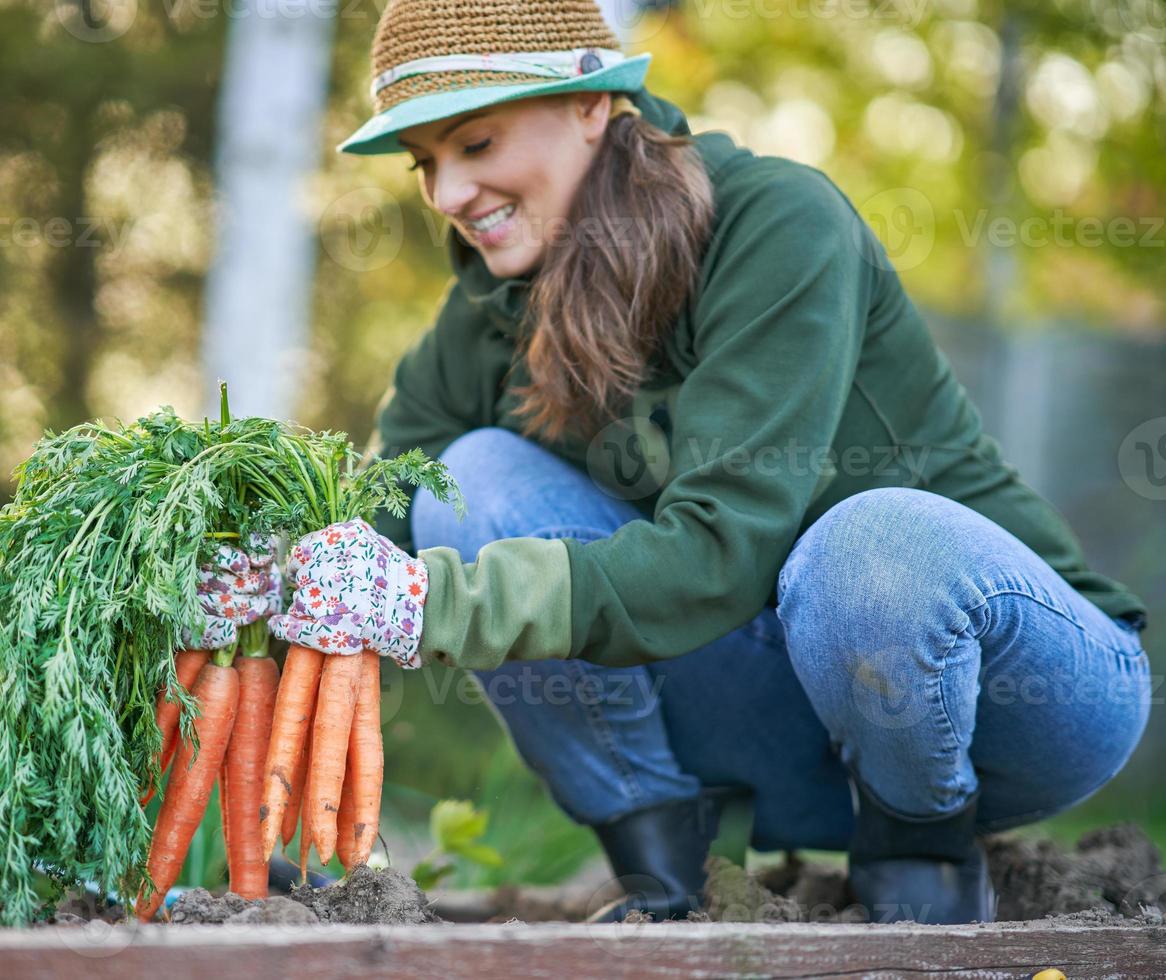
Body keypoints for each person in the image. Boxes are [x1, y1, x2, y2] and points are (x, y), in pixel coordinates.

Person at [214, 0, 1154, 924]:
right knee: (476, 478)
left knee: (866, 545)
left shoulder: (777, 225)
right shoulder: (487, 318)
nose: (446, 196)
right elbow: (377, 509)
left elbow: (722, 553)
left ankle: (920, 866)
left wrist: (431, 602)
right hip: (787, 731)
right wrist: (271, 577)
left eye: (475, 144)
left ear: (593, 104)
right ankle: (673, 877)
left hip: (1019, 709)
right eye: (424, 165)